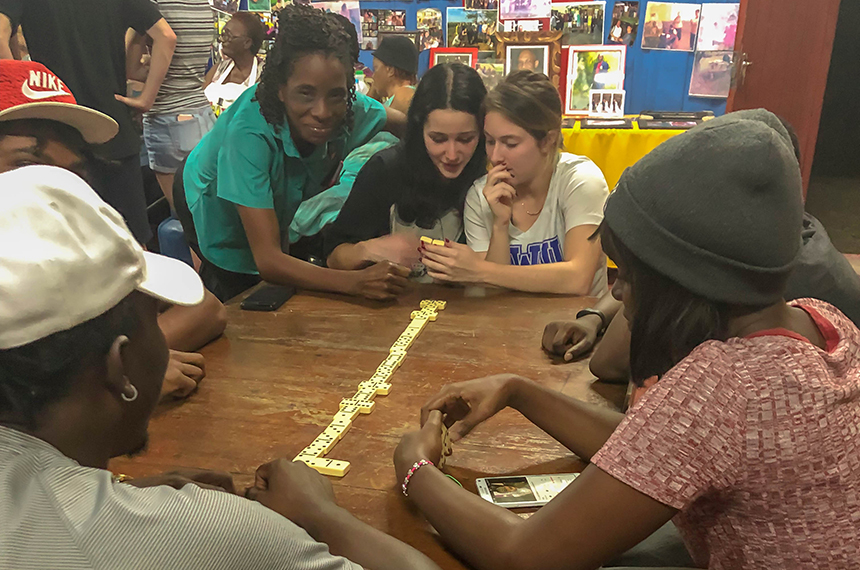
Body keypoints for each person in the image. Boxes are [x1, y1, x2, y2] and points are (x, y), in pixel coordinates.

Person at [393, 110, 860, 570]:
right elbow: (664, 443)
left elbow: (524, 556)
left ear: (686, 281)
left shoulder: (724, 384)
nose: (616, 292)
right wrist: (519, 390)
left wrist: (416, 470)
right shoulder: (823, 320)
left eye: (631, 276)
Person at [0, 165, 440, 570]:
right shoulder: (200, 534)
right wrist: (323, 517)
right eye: (156, 314)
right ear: (120, 366)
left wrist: (123, 494)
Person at [544, 115, 860, 384]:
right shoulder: (776, 240)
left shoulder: (780, 281)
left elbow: (609, 363)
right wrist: (595, 316)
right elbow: (649, 277)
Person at [0, 59, 227, 402]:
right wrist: (98, 380)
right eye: (28, 165)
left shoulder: (81, 230)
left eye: (72, 172)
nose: (58, 187)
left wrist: (134, 362)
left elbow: (206, 308)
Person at [175, 5, 410, 302]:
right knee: (241, 287)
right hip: (207, 194)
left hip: (268, 202)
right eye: (305, 93)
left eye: (336, 94)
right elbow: (269, 262)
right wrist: (354, 282)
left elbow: (409, 127)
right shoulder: (249, 135)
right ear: (280, 90)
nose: (323, 112)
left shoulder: (350, 111)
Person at [0, 0, 177, 244]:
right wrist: (147, 98)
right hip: (112, 126)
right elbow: (166, 36)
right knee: (132, 241)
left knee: (57, 245)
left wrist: (21, 91)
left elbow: (1, 32)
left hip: (56, 132)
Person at [421, 71, 608, 296]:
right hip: (513, 326)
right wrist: (500, 226)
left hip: (579, 326)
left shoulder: (579, 180)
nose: (496, 156)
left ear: (547, 141)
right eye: (490, 141)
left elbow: (577, 280)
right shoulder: (482, 194)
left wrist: (477, 270)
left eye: (510, 143)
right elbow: (490, 298)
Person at [325, 63, 487, 272]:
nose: (452, 154)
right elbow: (332, 257)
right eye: (438, 139)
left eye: (465, 139)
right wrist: (369, 249)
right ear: (419, 130)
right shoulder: (385, 171)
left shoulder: (489, 175)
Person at [128, 0, 216, 210]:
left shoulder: (153, 5)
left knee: (185, 219)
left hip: (168, 118)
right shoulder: (202, 4)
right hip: (203, 116)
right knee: (207, 218)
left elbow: (130, 69)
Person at [204, 12, 267, 114]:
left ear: (247, 43)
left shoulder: (263, 77)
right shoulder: (217, 70)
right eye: (223, 34)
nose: (222, 40)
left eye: (228, 36)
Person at [368, 36, 419, 116]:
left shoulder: (403, 97)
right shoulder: (407, 95)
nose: (373, 76)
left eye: (376, 68)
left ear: (391, 70)